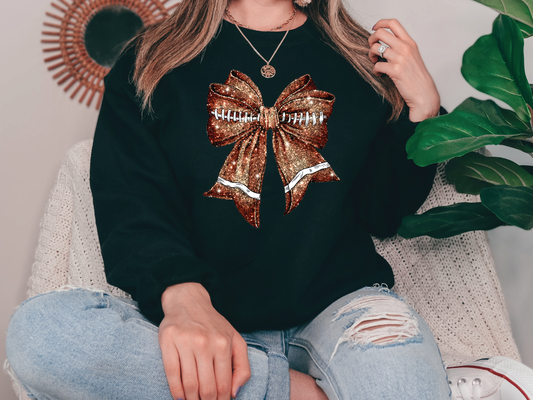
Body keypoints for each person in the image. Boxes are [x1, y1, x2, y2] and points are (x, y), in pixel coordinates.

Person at [6, 0, 456, 399]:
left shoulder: (364, 58)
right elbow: (131, 202)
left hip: (340, 306)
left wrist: (423, 113)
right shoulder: (147, 60)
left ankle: (235, 388)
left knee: (406, 385)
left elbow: (383, 211)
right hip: (203, 316)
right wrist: (184, 300)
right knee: (43, 334)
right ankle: (296, 394)